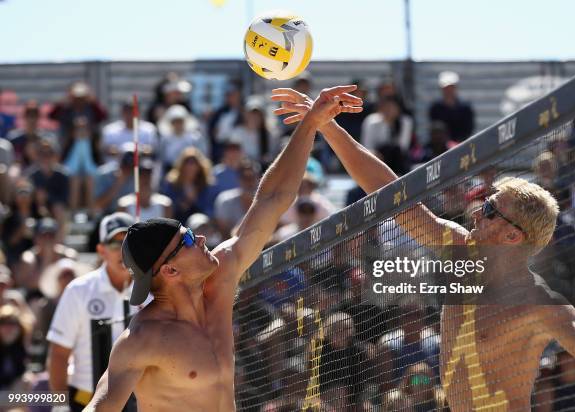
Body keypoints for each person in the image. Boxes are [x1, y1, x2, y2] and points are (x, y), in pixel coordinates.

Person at [272, 87, 575, 411]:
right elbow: (387, 191)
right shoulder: (458, 249)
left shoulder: (540, 304)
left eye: (491, 210)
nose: (478, 211)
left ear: (513, 236)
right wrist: (326, 126)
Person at [84, 85, 363, 411]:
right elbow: (100, 406)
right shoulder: (144, 338)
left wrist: (311, 123)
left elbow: (272, 200)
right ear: (169, 270)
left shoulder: (221, 277)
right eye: (187, 240)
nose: (201, 238)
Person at [47, 212, 140, 411]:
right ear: (101, 250)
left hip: (141, 402)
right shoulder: (78, 291)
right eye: (115, 244)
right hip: (85, 399)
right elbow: (59, 354)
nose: (122, 251)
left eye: (128, 242)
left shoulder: (153, 290)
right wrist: (60, 406)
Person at [428, 71, 475, 142]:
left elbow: (468, 130)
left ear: (456, 88)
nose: (448, 90)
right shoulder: (435, 108)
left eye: (451, 87)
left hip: (462, 146)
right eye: (446, 88)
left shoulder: (466, 108)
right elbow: (435, 130)